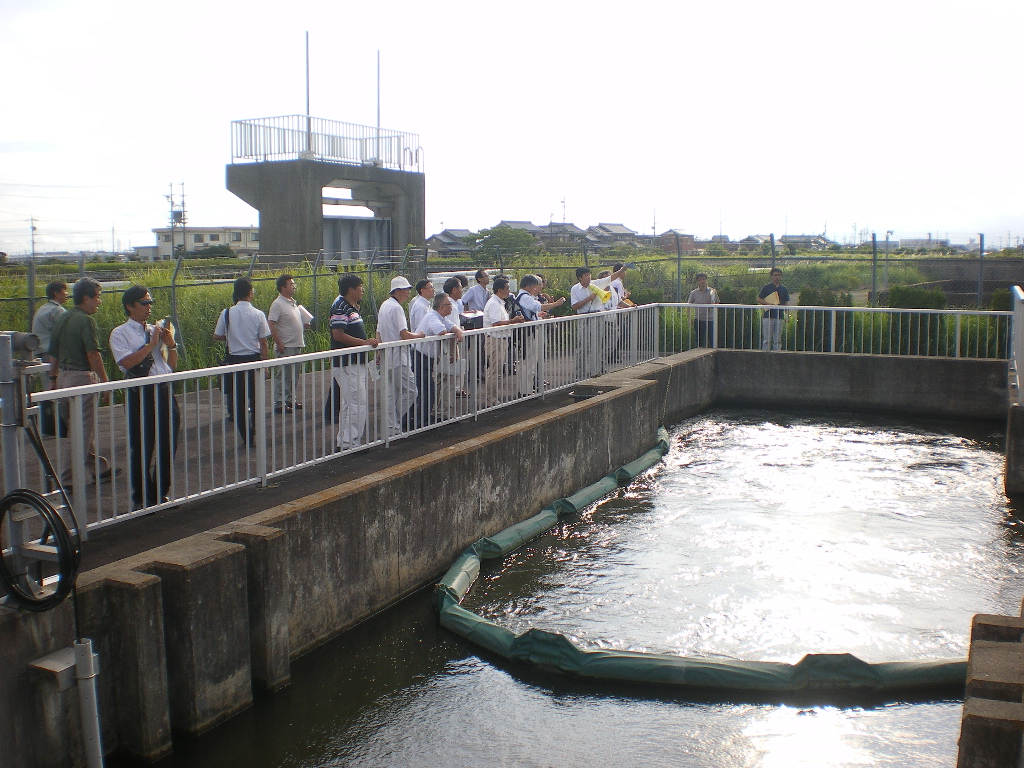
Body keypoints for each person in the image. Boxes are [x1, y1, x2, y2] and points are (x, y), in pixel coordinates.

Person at [109, 286, 181, 510]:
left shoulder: (155, 329)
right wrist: (151, 345)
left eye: (150, 302)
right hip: (140, 391)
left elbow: (169, 366)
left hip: (163, 387)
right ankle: (141, 496)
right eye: (144, 303)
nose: (149, 307)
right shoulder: (120, 333)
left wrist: (171, 344)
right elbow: (127, 363)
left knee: (168, 441)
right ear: (130, 306)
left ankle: (160, 492)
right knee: (142, 444)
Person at [47, 278, 113, 487]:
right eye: (97, 297)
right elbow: (93, 354)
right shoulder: (86, 321)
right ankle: (66, 479)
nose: (99, 302)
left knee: (77, 429)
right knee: (80, 433)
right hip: (82, 379)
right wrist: (104, 381)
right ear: (87, 298)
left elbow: (54, 353)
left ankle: (100, 468)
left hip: (64, 378)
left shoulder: (63, 318)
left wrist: (52, 379)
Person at [213, 277, 271, 442]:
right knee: (256, 399)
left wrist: (231, 337)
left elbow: (217, 335)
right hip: (254, 360)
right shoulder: (258, 314)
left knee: (238, 401)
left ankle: (245, 436)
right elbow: (264, 341)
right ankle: (256, 431)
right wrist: (264, 363)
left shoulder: (227, 313)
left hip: (234, 361)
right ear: (250, 292)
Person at [329, 274, 379, 451]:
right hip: (347, 362)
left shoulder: (350, 307)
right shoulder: (340, 307)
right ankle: (351, 442)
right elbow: (338, 335)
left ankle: (346, 440)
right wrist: (364, 343)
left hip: (354, 362)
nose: (362, 290)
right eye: (360, 286)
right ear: (351, 289)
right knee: (357, 403)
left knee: (350, 403)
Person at [376, 276, 424, 434]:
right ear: (397, 291)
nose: (408, 293)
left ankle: (391, 427)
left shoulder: (385, 304)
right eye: (406, 290)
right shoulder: (396, 308)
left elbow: (378, 332)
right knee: (410, 391)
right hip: (398, 357)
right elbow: (404, 334)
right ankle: (393, 422)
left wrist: (379, 351)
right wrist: (419, 335)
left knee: (391, 393)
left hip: (388, 356)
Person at [415, 292, 463, 421]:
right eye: (449, 304)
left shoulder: (440, 317)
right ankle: (422, 421)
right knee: (427, 390)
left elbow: (452, 326)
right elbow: (441, 330)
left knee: (428, 389)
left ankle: (424, 419)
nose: (452, 307)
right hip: (420, 357)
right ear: (442, 306)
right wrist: (452, 334)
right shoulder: (432, 316)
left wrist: (457, 331)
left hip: (427, 358)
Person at [268, 274, 310, 413]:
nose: (293, 286)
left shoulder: (292, 303)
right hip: (285, 346)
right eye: (290, 284)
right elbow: (271, 323)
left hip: (296, 344)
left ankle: (290, 399)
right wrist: (278, 342)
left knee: (293, 375)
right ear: (282, 287)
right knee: (283, 375)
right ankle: (279, 402)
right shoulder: (277, 304)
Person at [482, 276, 525, 406]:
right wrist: (512, 321)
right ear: (500, 290)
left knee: (497, 370)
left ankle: (493, 398)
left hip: (501, 338)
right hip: (495, 339)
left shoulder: (499, 302)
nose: (509, 291)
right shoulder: (494, 303)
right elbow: (496, 323)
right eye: (507, 288)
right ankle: (491, 399)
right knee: (494, 371)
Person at [757, 268, 791, 352]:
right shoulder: (766, 287)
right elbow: (759, 298)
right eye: (775, 275)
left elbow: (786, 302)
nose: (777, 277)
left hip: (779, 317)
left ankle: (777, 355)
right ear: (771, 276)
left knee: (778, 340)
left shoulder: (784, 289)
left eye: (779, 275)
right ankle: (765, 356)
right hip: (768, 316)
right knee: (766, 340)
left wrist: (787, 315)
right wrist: (767, 303)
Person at [32, 281, 68, 354]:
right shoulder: (57, 310)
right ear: (57, 294)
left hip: (38, 351)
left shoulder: (43, 308)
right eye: (64, 291)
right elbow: (68, 332)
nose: (66, 293)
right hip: (50, 352)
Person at [688, 273, 720, 348]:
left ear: (706, 280)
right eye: (700, 280)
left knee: (712, 340)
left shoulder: (713, 292)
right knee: (699, 341)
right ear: (697, 282)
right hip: (699, 319)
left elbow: (717, 303)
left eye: (704, 279)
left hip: (710, 319)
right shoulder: (694, 293)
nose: (702, 281)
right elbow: (688, 306)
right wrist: (689, 318)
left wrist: (712, 304)